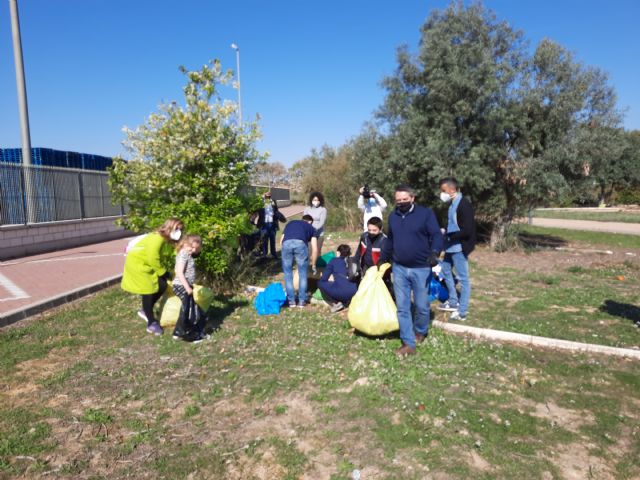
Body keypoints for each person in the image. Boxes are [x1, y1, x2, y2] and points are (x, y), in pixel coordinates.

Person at [380, 185, 443, 356]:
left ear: (413, 198)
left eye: (404, 200)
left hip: (421, 268)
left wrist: (435, 252)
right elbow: (390, 240)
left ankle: (420, 331)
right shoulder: (393, 216)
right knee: (402, 307)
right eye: (398, 200)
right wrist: (382, 258)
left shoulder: (425, 214)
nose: (401, 203)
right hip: (399, 268)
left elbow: (436, 235)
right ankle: (408, 342)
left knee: (422, 307)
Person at [121, 218, 183, 336]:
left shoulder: (168, 240)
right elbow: (152, 258)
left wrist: (185, 255)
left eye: (180, 229)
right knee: (148, 290)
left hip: (148, 265)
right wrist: (163, 273)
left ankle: (145, 310)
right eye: (177, 228)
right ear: (169, 227)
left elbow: (174, 252)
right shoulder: (157, 238)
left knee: (162, 285)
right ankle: (151, 323)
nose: (179, 231)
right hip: (138, 265)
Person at [437, 177, 476, 321]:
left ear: (452, 189)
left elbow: (467, 229)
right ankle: (453, 301)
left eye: (443, 190)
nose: (442, 194)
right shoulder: (453, 204)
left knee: (464, 279)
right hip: (450, 246)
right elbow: (455, 225)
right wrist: (445, 230)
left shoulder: (464, 204)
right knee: (445, 270)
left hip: (458, 247)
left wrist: (449, 234)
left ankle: (462, 311)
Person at [172, 234, 208, 343]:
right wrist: (187, 287)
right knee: (189, 312)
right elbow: (179, 272)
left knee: (185, 309)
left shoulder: (188, 254)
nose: (193, 250)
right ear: (185, 243)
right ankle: (190, 335)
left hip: (185, 286)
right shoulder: (183, 254)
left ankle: (178, 332)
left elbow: (197, 253)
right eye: (191, 247)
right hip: (182, 286)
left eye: (196, 248)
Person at [280, 214, 319, 308]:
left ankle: (291, 301)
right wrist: (313, 264)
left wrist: (286, 254)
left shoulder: (291, 223)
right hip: (301, 244)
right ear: (310, 222)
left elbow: (281, 241)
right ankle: (302, 301)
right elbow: (315, 249)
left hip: (286, 244)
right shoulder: (311, 228)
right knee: (302, 274)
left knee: (288, 274)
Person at [318, 244, 359, 313]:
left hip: (341, 291)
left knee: (320, 283)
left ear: (338, 253)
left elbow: (324, 278)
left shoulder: (334, 261)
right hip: (355, 291)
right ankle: (347, 301)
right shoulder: (354, 261)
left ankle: (336, 303)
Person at [256, 191, 287, 259]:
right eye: (266, 196)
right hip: (264, 225)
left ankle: (273, 254)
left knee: (272, 240)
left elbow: (276, 210)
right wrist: (262, 198)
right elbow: (257, 210)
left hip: (272, 224)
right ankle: (264, 255)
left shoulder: (273, 202)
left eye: (269, 196)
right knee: (264, 241)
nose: (268, 198)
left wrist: (279, 216)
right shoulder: (260, 203)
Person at [303, 192, 327, 256]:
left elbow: (322, 222)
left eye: (317, 200)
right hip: (309, 234)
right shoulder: (307, 209)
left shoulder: (323, 209)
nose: (316, 201)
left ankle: (316, 264)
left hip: (319, 234)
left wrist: (315, 229)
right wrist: (309, 230)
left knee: (318, 251)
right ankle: (308, 264)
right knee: (309, 250)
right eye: (314, 200)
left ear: (320, 201)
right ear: (311, 200)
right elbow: (305, 220)